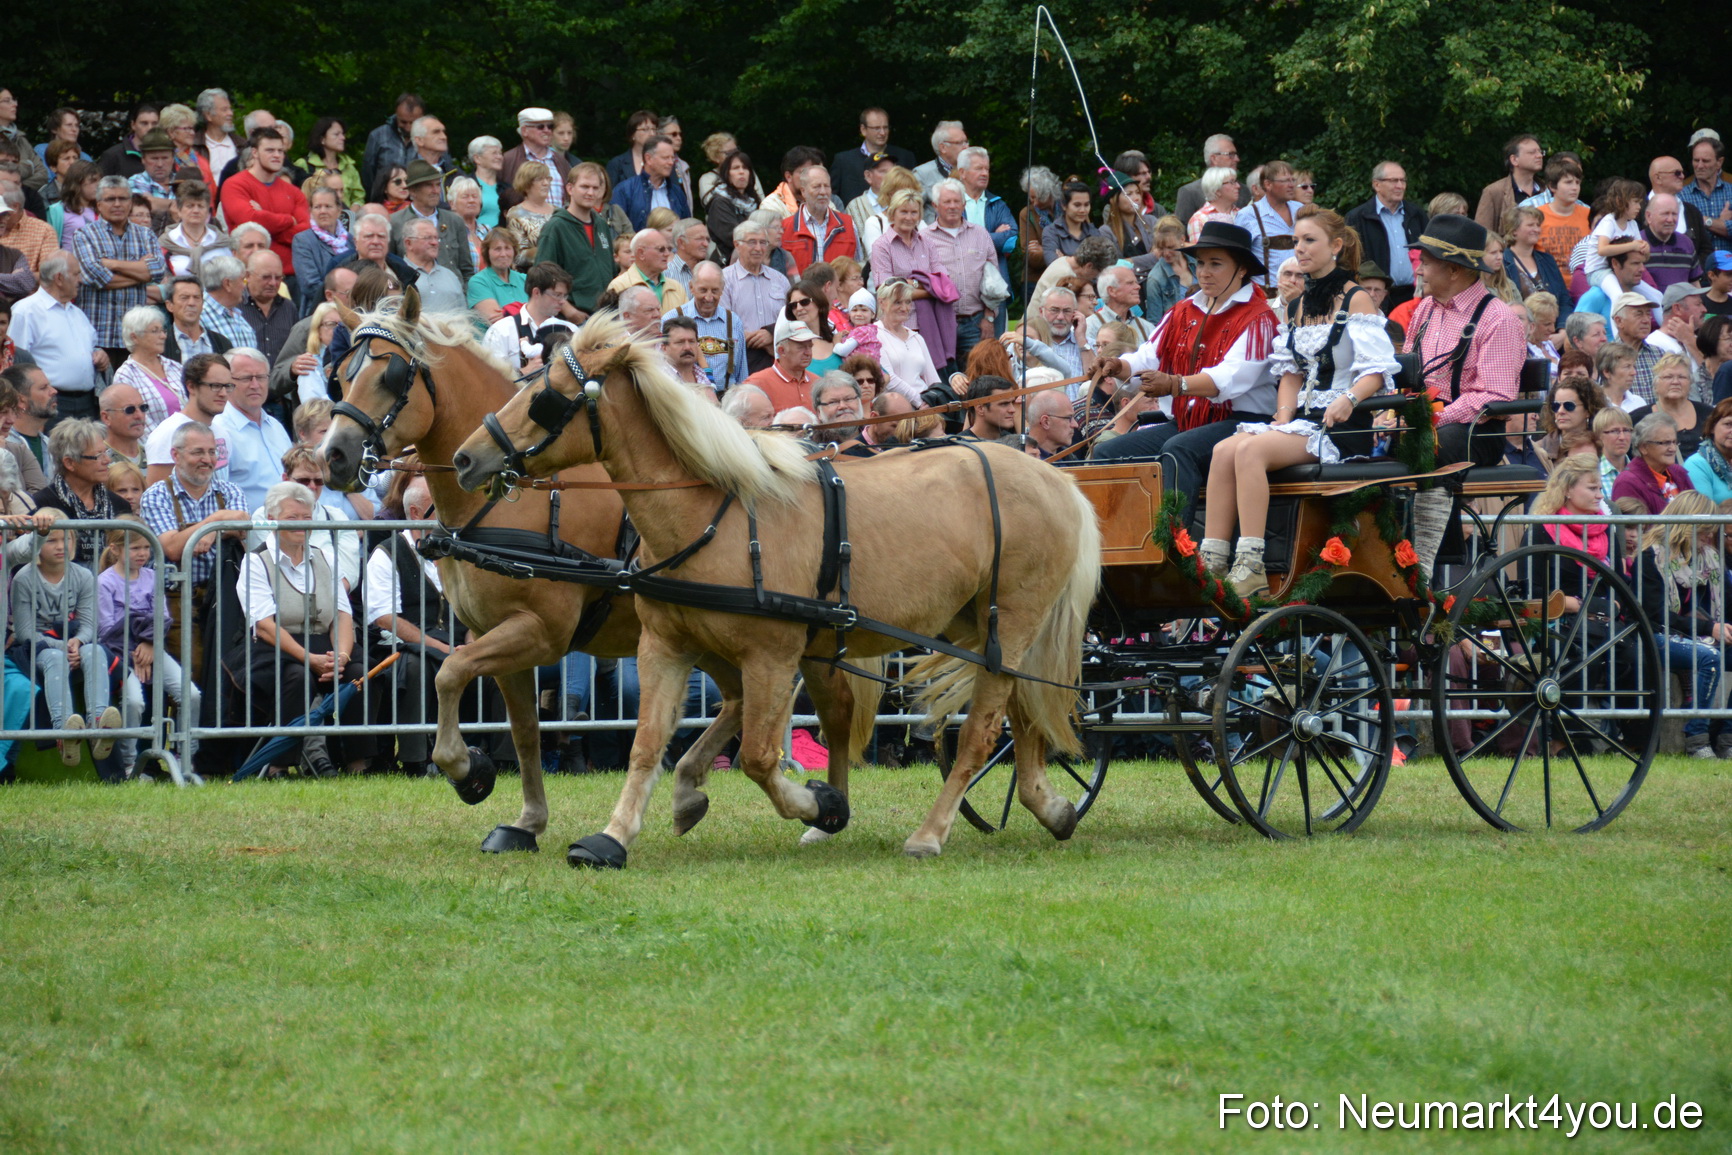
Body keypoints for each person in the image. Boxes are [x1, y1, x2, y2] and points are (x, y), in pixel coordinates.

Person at [1197, 207, 1397, 593]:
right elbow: (1290, 373)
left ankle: (1251, 561)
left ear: (1336, 246)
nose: (1300, 249)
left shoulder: (1356, 300)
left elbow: (1377, 370)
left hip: (1341, 426)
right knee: (1224, 450)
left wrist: (1350, 399)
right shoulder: (1297, 305)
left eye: (1309, 241)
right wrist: (1283, 414)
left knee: (1249, 453)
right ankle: (1213, 558)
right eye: (1295, 241)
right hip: (1303, 420)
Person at [1089, 221, 1279, 520]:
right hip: (1189, 421)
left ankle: (1177, 548)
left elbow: (1231, 379)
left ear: (1241, 268)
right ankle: (1120, 543)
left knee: (1179, 449)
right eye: (1201, 262)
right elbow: (1149, 356)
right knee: (1107, 452)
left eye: (1216, 263)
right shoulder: (1184, 310)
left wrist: (1176, 385)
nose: (1204, 271)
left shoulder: (1259, 317)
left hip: (1242, 423)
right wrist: (1117, 365)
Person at [1401, 214, 1527, 577]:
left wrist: (1435, 418)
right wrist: (1393, 411)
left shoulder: (1498, 318)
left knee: (1430, 447)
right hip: (1427, 424)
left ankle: (1428, 562)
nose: (1420, 269)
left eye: (1426, 261)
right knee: (1361, 451)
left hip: (1477, 433)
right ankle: (1384, 554)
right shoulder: (1424, 310)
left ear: (1454, 269)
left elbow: (1496, 397)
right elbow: (1408, 372)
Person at [234, 480, 361, 778]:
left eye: (307, 518)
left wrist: (341, 656)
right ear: (272, 519)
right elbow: (264, 626)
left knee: (358, 673)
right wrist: (310, 659)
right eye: (292, 518)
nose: (301, 525)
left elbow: (342, 615)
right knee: (297, 676)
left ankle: (358, 760)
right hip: (273, 650)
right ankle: (280, 763)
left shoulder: (326, 557)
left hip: (322, 645)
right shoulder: (256, 561)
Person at [9, 508, 121, 767]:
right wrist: (64, 647)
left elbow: (90, 624)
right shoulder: (24, 578)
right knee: (54, 658)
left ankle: (98, 724)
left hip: (73, 644)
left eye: (66, 539)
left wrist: (78, 642)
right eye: (51, 540)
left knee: (95, 651)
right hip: (36, 648)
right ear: (38, 542)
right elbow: (26, 633)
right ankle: (65, 732)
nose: (60, 546)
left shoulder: (82, 575)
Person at [360, 476, 451, 777]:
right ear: (415, 513)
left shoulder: (457, 549)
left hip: (458, 637)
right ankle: (415, 761)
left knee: (497, 662)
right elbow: (384, 616)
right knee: (415, 667)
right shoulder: (387, 553)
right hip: (404, 645)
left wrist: (475, 641)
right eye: (440, 506)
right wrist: (440, 647)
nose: (449, 514)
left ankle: (502, 757)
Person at [97, 517, 199, 777]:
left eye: (146, 547)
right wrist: (143, 640)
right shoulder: (105, 583)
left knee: (191, 694)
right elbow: (107, 631)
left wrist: (150, 643)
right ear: (115, 549)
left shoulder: (152, 577)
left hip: (151, 649)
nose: (142, 553)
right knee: (133, 702)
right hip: (121, 655)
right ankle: (130, 763)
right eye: (135, 548)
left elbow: (163, 618)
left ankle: (185, 756)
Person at [1635, 489, 1724, 757]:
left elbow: (1721, 608)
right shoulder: (1651, 558)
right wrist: (1710, 629)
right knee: (1709, 657)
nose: (1710, 538)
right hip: (1654, 636)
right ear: (1685, 527)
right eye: (1704, 531)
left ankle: (1728, 737)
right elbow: (1654, 615)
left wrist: (1721, 628)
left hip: (1692, 635)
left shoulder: (1710, 560)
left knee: (1713, 651)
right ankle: (1697, 738)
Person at [66, 177, 163, 372]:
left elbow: (158, 272)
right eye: (110, 199)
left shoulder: (146, 235)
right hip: (99, 336)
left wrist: (112, 264)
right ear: (99, 204)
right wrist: (141, 273)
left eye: (123, 198)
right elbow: (96, 278)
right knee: (102, 398)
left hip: (137, 337)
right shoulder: (84, 234)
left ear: (130, 203)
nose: (117, 204)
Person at [30, 417, 132, 565]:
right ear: (70, 463)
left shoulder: (119, 505)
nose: (107, 461)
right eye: (98, 456)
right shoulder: (42, 504)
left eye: (107, 453)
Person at [219, 127, 308, 282]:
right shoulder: (234, 185)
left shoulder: (294, 192)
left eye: (280, 151)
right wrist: (289, 220)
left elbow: (305, 235)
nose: (277, 155)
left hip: (291, 277)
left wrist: (265, 220)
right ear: (255, 152)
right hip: (249, 278)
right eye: (270, 150)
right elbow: (250, 220)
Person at [211, 348, 292, 510]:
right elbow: (216, 493)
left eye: (261, 377)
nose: (255, 385)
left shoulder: (276, 426)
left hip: (290, 524)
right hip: (249, 529)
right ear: (227, 383)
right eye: (246, 378)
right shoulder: (218, 430)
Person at [534, 162, 616, 318]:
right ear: (570, 188)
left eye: (595, 188)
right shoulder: (555, 227)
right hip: (572, 317)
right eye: (585, 187)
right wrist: (569, 310)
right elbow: (543, 278)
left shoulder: (602, 225)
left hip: (605, 315)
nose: (590, 193)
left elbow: (611, 271)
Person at [720, 220, 791, 375]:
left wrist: (770, 335)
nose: (759, 248)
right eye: (752, 242)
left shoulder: (780, 280)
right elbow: (722, 323)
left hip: (778, 360)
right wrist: (753, 339)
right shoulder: (723, 280)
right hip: (741, 361)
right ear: (737, 244)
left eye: (763, 243)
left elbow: (791, 319)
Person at [481, 261, 576, 373]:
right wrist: (524, 372)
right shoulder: (501, 331)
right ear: (536, 292)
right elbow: (489, 377)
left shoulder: (571, 330)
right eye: (557, 295)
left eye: (564, 296)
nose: (563, 302)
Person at [388, 161, 473, 284]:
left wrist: (464, 295)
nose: (436, 190)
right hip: (414, 295)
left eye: (438, 185)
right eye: (429, 185)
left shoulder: (455, 221)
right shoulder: (394, 222)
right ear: (413, 191)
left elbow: (467, 270)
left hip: (454, 295)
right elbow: (389, 268)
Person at [1235, 160, 1303, 292]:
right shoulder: (1248, 215)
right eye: (1285, 181)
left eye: (1292, 180)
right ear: (1268, 184)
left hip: (1301, 295)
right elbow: (1238, 260)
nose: (1291, 185)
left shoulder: (1300, 210)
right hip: (1266, 298)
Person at [1632, 354, 1710, 459]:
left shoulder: (1709, 414)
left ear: (1690, 383)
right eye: (1668, 377)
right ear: (1655, 384)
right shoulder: (1638, 419)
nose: (1675, 382)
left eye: (1682, 377)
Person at [1612, 412, 1693, 514]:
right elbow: (1636, 528)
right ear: (1643, 447)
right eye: (1665, 443)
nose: (1672, 448)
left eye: (1674, 442)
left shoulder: (1679, 473)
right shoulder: (1627, 483)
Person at [1502, 206, 1571, 319]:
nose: (1537, 229)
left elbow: (1564, 299)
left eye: (1538, 225)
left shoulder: (1548, 260)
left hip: (1552, 331)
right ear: (1514, 231)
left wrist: (1562, 329)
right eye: (1530, 225)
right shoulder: (1502, 262)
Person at [290, 186, 351, 313]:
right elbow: (309, 285)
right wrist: (343, 299)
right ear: (311, 211)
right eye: (317, 207)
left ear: (339, 210)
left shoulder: (351, 240)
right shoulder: (303, 240)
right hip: (319, 311)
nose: (323, 211)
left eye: (328, 206)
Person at [742, 313, 820, 412]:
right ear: (781, 351)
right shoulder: (757, 383)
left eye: (810, 346)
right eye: (801, 347)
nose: (808, 352)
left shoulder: (817, 382)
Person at [612, 135, 689, 232]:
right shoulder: (625, 190)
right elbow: (615, 231)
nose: (671, 162)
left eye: (672, 158)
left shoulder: (677, 192)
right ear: (648, 158)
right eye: (665, 158)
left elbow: (686, 229)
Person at [159, 179, 231, 282]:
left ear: (207, 212)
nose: (196, 210)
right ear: (179, 210)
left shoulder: (221, 242)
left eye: (200, 206)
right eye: (190, 206)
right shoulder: (166, 242)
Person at [1474, 134, 1546, 232]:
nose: (1539, 156)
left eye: (1540, 152)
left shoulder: (1547, 191)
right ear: (1514, 160)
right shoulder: (1494, 192)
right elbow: (1482, 234)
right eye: (1532, 152)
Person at [607, 228, 689, 312]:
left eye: (668, 249)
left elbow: (687, 322)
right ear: (641, 253)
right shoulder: (619, 286)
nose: (667, 254)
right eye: (661, 249)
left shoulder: (676, 287)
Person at [499, 107, 570, 201]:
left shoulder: (561, 161)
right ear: (524, 131)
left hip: (559, 215)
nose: (547, 130)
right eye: (540, 127)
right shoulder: (508, 160)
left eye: (550, 126)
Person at [1534, 374, 1603, 470]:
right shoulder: (1538, 450)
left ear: (1588, 410)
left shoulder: (1603, 444)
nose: (1560, 411)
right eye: (1556, 406)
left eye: (1569, 406)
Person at [1174, 135, 1248, 224]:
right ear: (1214, 158)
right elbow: (1181, 233)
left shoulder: (1244, 190)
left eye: (1236, 154)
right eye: (1231, 155)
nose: (1237, 159)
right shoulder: (1189, 192)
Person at [1679, 137, 1732, 258]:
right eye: (1696, 160)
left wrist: (1700, 220)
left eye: (1706, 161)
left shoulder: (1731, 192)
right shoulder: (1681, 196)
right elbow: (1685, 236)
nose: (1699, 165)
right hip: (1698, 269)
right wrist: (1722, 224)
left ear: (1719, 162)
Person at [360, 93, 424, 195]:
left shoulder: (432, 137)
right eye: (403, 122)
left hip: (419, 202)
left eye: (413, 123)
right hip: (384, 202)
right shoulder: (378, 136)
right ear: (396, 115)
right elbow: (367, 173)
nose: (408, 127)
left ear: (422, 118)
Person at [466, 228, 527, 325]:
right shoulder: (478, 282)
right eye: (497, 249)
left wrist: (508, 313)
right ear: (487, 252)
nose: (503, 254)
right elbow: (498, 322)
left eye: (507, 248)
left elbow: (543, 313)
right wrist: (526, 311)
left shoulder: (525, 279)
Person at [1043, 181, 1100, 262]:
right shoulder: (1051, 232)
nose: (1083, 210)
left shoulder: (1094, 232)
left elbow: (1103, 264)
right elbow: (1054, 264)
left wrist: (1066, 260)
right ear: (1064, 205)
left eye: (1086, 205)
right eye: (1077, 205)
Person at [1187, 166, 1242, 244]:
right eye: (1232, 182)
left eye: (1236, 181)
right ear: (1217, 190)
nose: (1238, 186)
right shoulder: (1199, 219)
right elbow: (1200, 254)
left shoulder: (1243, 214)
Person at [1593, 406, 1634, 499]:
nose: (1622, 437)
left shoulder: (1641, 473)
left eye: (1626, 430)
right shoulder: (1592, 474)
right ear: (1599, 436)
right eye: (1615, 431)